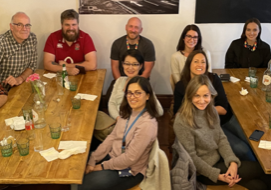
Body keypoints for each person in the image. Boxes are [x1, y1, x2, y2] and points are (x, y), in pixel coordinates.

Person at [174, 75, 271, 190]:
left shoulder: (211, 111)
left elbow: (221, 139)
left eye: (206, 95)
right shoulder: (182, 120)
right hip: (202, 171)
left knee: (259, 185)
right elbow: (192, 158)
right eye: (197, 96)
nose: (202, 100)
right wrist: (218, 176)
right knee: (263, 171)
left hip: (218, 160)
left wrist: (232, 162)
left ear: (211, 95)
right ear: (189, 96)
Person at [174, 50, 256, 161]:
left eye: (203, 62)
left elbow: (223, 108)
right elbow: (178, 113)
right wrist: (203, 112)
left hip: (225, 119)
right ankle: (255, 170)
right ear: (189, 64)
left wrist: (201, 110)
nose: (200, 65)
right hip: (209, 127)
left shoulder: (214, 79)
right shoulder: (180, 86)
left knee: (252, 140)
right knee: (243, 150)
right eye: (196, 61)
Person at [79, 76, 159, 190]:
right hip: (113, 157)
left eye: (138, 93)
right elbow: (112, 138)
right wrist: (93, 159)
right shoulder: (127, 112)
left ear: (147, 96)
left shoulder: (147, 124)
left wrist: (100, 166)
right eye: (129, 93)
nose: (132, 97)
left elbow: (130, 159)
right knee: (76, 167)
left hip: (130, 170)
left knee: (84, 185)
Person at [109, 49, 163, 120]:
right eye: (127, 64)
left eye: (135, 64)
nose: (130, 68)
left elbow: (159, 111)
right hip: (118, 121)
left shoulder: (144, 83)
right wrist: (118, 119)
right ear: (122, 64)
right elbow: (111, 104)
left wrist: (139, 119)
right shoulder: (119, 80)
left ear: (140, 66)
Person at [43, 9, 97, 75]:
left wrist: (67, 66)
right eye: (67, 25)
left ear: (78, 24)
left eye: (74, 24)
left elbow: (92, 65)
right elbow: (47, 64)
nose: (71, 28)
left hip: (81, 77)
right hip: (59, 77)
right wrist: (65, 70)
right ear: (61, 25)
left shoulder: (85, 37)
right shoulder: (52, 37)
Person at [0, 12, 37, 90]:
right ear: (11, 27)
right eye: (19, 25)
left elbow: (32, 66)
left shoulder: (32, 38)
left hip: (21, 85)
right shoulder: (2, 42)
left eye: (27, 25)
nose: (24, 29)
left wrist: (19, 79)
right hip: (3, 90)